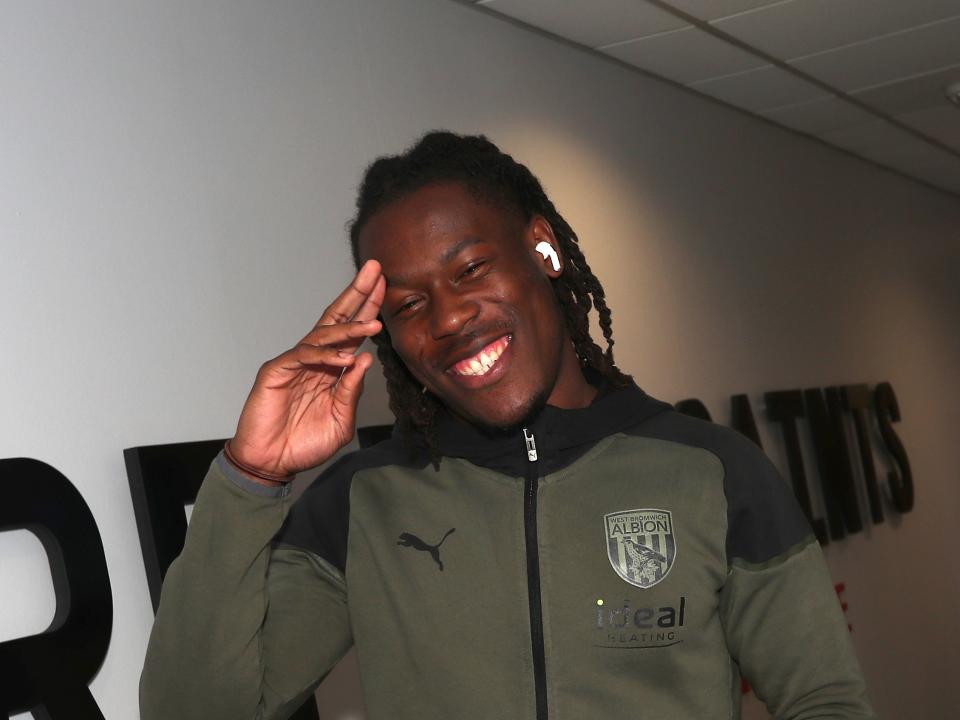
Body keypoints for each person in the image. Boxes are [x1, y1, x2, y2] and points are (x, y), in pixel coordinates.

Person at [140, 132, 875, 719]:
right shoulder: (361, 505)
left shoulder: (711, 470)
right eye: (408, 305)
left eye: (469, 270)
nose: (450, 318)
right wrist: (251, 476)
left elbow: (825, 700)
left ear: (543, 249)